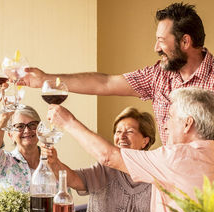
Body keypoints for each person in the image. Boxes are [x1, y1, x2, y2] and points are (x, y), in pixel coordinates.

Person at [46, 87, 214, 212]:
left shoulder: (176, 157)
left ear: (188, 124)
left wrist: (68, 122)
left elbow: (108, 156)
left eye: (171, 117)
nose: (165, 125)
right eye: (118, 132)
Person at [22, 2, 214, 144]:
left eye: (162, 40)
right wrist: (45, 80)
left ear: (185, 42)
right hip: (168, 185)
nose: (156, 47)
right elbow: (105, 83)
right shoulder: (158, 75)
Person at [43, 107, 155, 212]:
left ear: (145, 140)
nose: (121, 136)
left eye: (129, 131)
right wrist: (54, 163)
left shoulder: (157, 174)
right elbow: (74, 179)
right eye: (118, 131)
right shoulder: (105, 169)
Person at [0, 105, 41, 192]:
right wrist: (4, 118)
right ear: (10, 135)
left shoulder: (53, 162)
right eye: (20, 126)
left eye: (32, 125)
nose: (27, 130)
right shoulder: (3, 162)